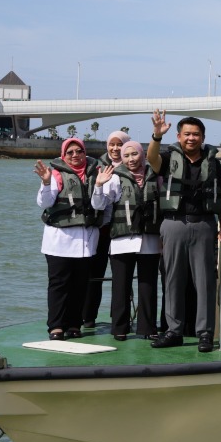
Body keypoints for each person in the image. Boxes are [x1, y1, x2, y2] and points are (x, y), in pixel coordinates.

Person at [146, 110, 221, 352]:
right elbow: (151, 158)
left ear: (203, 137)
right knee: (172, 279)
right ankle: (174, 331)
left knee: (205, 282)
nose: (191, 138)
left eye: (196, 134)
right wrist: (156, 135)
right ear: (178, 136)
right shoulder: (167, 158)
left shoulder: (212, 163)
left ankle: (205, 333)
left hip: (204, 225)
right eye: (187, 134)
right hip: (173, 224)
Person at [34, 138, 119, 340]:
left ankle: (74, 324)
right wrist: (45, 182)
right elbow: (44, 202)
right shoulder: (55, 174)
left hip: (86, 240)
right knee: (59, 284)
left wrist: (99, 185)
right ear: (64, 155)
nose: (75, 155)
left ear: (84, 152)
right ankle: (56, 326)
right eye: (70, 152)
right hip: (59, 241)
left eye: (79, 151)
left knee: (81, 285)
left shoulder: (96, 172)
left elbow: (99, 206)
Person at [108, 140, 161, 341]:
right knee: (120, 285)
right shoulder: (114, 178)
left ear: (143, 155)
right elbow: (102, 204)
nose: (131, 159)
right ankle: (119, 328)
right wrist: (99, 185)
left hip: (150, 239)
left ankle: (148, 327)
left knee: (148, 285)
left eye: (134, 154)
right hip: (122, 240)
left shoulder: (156, 176)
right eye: (126, 156)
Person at [82, 130, 131, 331]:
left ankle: (119, 318)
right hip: (101, 230)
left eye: (120, 144)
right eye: (112, 144)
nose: (115, 148)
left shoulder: (134, 166)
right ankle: (88, 316)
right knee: (94, 274)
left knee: (122, 277)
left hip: (125, 231)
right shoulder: (96, 167)